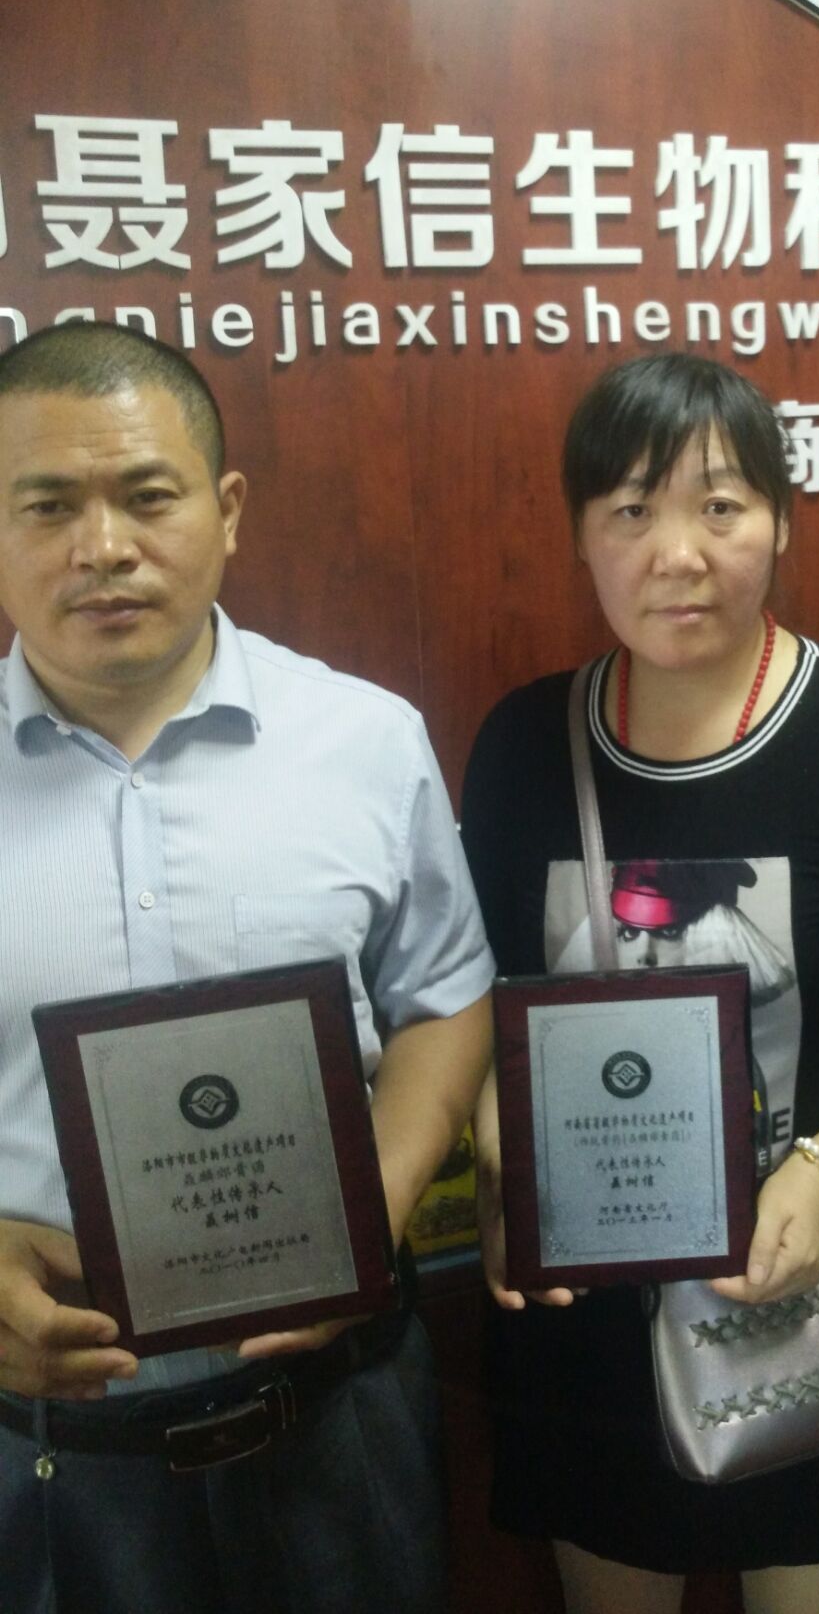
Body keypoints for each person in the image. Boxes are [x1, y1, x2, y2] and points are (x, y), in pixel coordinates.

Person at [462, 353, 819, 1614]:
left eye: (720, 506)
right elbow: (480, 1012)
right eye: (631, 511)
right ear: (582, 536)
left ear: (781, 520)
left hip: (807, 1288)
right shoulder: (521, 747)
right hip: (587, 1308)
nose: (679, 554)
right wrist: (509, 1172)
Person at [0, 321, 495, 1614]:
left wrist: (374, 1208)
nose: (102, 546)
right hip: (47, 1440)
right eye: (47, 506)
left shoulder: (364, 740)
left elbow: (446, 1000)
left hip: (335, 1409)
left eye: (146, 496)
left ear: (225, 512)